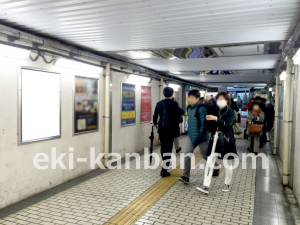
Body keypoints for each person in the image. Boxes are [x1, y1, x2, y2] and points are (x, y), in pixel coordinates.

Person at [197, 92, 237, 194]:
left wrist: (216, 120)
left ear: (227, 100)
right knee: (210, 161)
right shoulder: (215, 110)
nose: (220, 101)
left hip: (226, 140)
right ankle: (206, 185)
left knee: (227, 163)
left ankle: (227, 184)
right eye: (218, 99)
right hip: (214, 139)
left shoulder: (231, 112)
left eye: (222, 99)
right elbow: (210, 124)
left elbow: (227, 125)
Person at [179, 90, 218, 185]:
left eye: (192, 98)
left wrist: (200, 135)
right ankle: (186, 177)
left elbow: (204, 124)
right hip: (191, 137)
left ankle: (216, 167)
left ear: (197, 98)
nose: (190, 100)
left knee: (205, 156)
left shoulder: (201, 109)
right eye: (189, 98)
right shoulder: (189, 108)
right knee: (187, 155)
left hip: (202, 138)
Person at [153, 87, 185, 177]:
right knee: (169, 148)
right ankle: (164, 170)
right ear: (172, 94)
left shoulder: (159, 104)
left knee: (163, 147)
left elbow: (155, 116)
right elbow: (182, 112)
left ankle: (164, 166)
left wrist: (154, 123)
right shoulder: (174, 104)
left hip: (162, 129)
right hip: (171, 130)